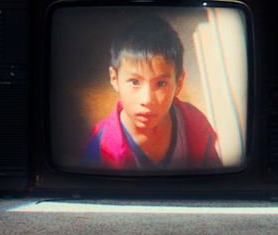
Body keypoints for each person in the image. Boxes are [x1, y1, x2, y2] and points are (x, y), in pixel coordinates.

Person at [82, 14, 222, 170]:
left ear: (179, 83)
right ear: (114, 79)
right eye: (134, 82)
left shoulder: (194, 124)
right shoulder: (99, 148)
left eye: (160, 83)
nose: (147, 99)